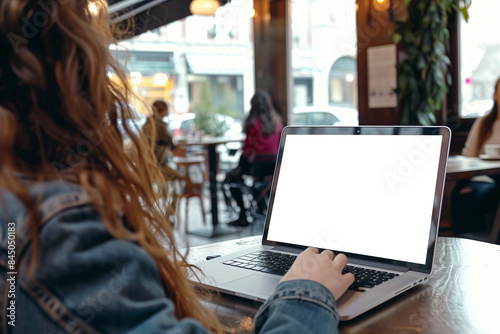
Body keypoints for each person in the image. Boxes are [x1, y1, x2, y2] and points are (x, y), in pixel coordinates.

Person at [0, 1, 354, 333]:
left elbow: (246, 150)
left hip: (248, 171)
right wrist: (304, 292)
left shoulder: (35, 213)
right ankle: (249, 210)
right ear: (78, 66)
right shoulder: (62, 228)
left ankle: (241, 211)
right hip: (266, 174)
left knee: (232, 180)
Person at [226, 90, 284, 227]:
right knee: (258, 184)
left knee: (230, 178)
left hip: (257, 168)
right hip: (275, 167)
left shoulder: (252, 122)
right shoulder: (278, 122)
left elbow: (247, 149)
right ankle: (259, 209)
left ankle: (243, 215)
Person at [451, 78, 500, 234]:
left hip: (496, 180)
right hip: (478, 177)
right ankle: (461, 239)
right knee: (459, 192)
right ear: (495, 95)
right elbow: (469, 155)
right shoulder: (483, 123)